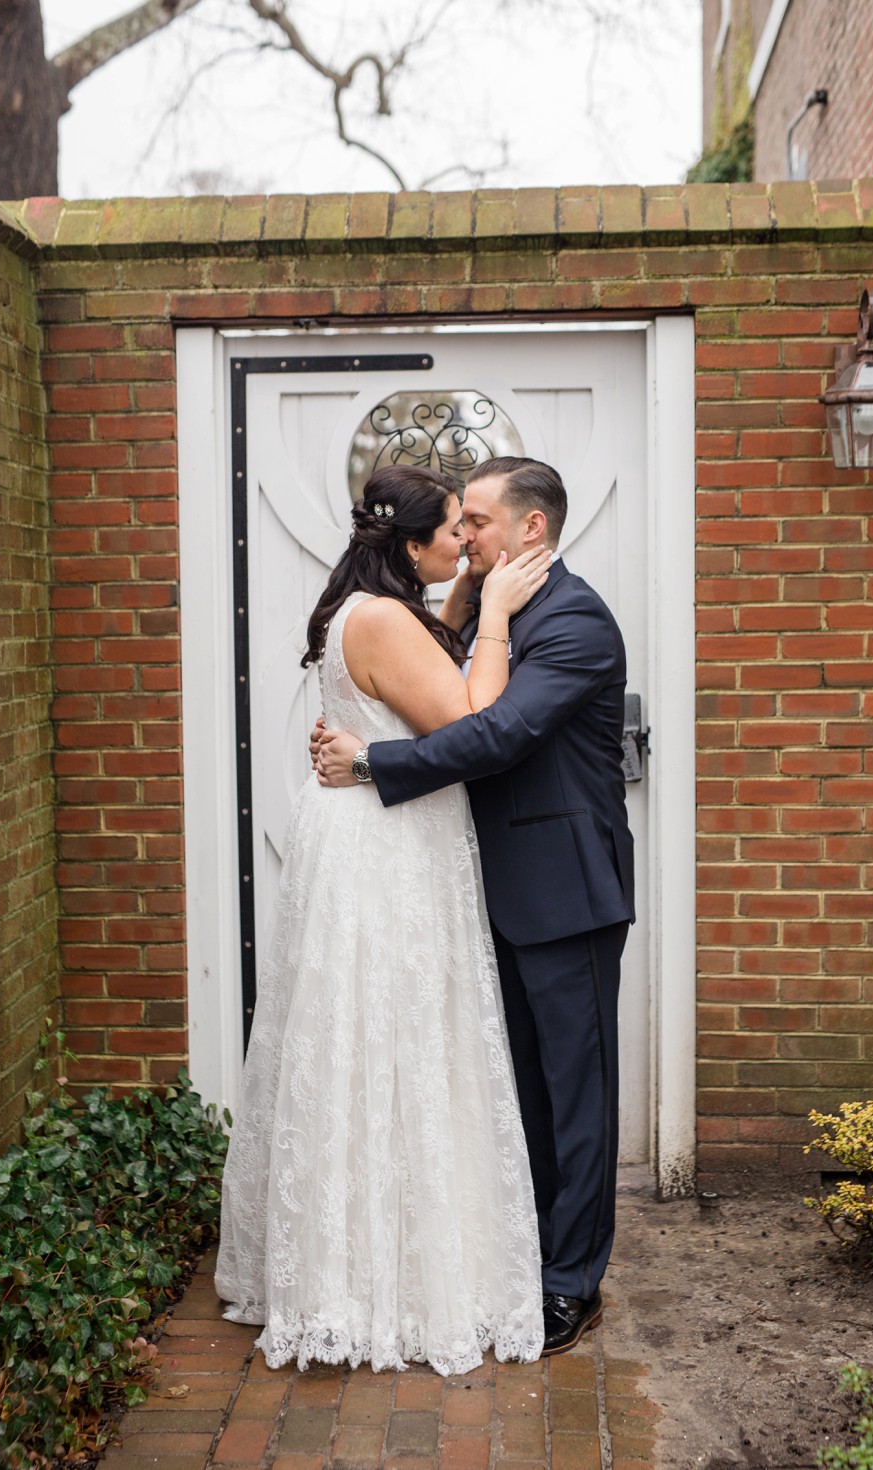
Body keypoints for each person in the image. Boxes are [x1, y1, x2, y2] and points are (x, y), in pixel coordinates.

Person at [214, 463, 552, 1376]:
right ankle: (380, 1283)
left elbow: (412, 678)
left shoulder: (369, 608)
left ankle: (365, 1263)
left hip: (371, 834)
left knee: (374, 1040)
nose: (467, 543)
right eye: (453, 533)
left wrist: (465, 603)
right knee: (394, 1038)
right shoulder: (383, 617)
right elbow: (469, 717)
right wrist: (491, 620)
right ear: (411, 547)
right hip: (389, 848)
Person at [315, 455, 635, 1356]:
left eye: (479, 525)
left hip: (566, 894)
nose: (465, 543)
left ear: (531, 528)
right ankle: (525, 1257)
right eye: (455, 528)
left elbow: (491, 735)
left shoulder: (573, 619)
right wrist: (465, 616)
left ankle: (573, 1284)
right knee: (521, 1096)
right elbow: (441, 689)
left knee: (576, 1100)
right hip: (486, 893)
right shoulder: (491, 613)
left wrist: (370, 764)